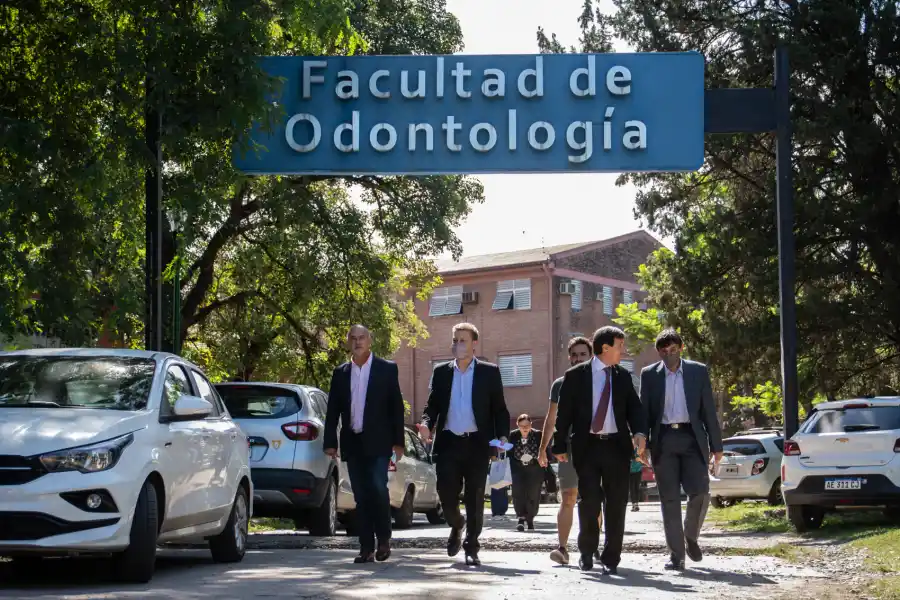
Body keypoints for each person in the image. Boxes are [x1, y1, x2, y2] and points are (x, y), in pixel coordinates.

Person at [552, 326, 647, 574]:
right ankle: (586, 551)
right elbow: (564, 415)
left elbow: (636, 410)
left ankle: (611, 556)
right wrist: (559, 444)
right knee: (590, 501)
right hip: (588, 448)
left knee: (616, 504)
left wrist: (639, 432)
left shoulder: (623, 377)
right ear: (605, 348)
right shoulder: (575, 376)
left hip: (617, 447)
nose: (622, 351)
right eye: (619, 346)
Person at [416, 322, 510, 567]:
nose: (458, 344)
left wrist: (501, 438)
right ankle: (457, 524)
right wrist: (426, 424)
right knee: (446, 494)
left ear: (474, 344)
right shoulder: (441, 372)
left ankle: (472, 547)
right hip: (448, 443)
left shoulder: (489, 372)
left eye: (463, 340)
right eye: (455, 340)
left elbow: (500, 410)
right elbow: (432, 406)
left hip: (478, 444)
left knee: (475, 497)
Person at [640, 329, 723, 571]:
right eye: (664, 351)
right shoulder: (649, 375)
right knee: (669, 499)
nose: (669, 354)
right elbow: (644, 411)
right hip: (664, 439)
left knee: (700, 492)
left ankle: (690, 535)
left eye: (673, 349)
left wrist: (717, 446)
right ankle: (676, 555)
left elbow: (708, 409)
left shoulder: (698, 371)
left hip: (692, 438)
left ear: (681, 348)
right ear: (658, 353)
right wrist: (642, 442)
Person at [323, 325, 405, 564]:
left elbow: (396, 408)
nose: (358, 342)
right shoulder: (341, 372)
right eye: (353, 338)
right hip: (353, 442)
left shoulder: (386, 369)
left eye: (362, 338)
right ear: (348, 342)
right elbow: (333, 410)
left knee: (378, 488)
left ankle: (384, 540)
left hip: (380, 442)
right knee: (361, 495)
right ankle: (366, 548)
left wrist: (398, 443)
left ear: (370, 340)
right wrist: (330, 442)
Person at [539, 336, 605, 565]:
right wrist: (542, 450)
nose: (577, 358)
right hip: (566, 448)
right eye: (574, 355)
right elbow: (551, 419)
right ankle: (562, 548)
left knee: (592, 498)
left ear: (591, 356)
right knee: (568, 497)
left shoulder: (599, 380)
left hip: (595, 447)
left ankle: (592, 546)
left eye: (582, 354)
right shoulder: (560, 384)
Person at [508, 414, 543, 532]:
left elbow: (543, 450)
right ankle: (521, 519)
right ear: (517, 425)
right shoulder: (513, 435)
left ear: (531, 424)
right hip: (518, 469)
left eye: (527, 425)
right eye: (522, 425)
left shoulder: (538, 434)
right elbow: (509, 451)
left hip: (534, 469)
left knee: (533, 494)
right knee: (518, 493)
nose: (525, 428)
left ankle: (530, 519)